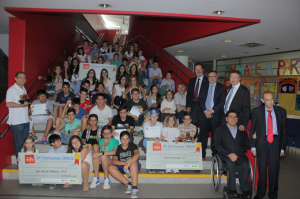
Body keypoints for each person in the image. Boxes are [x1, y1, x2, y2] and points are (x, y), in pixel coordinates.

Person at [250, 91, 287, 199]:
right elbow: (253, 130)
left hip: (275, 142)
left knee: (274, 170)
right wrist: (253, 146)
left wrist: (282, 148)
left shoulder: (281, 111)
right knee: (262, 169)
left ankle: (273, 194)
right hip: (262, 142)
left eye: (272, 99)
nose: (271, 102)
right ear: (262, 100)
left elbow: (284, 131)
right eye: (267, 100)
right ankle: (260, 193)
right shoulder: (257, 111)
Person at [214, 109, 250, 198]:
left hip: (240, 155)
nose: (233, 118)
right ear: (226, 119)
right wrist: (229, 154)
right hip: (226, 156)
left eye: (235, 117)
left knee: (245, 164)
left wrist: (254, 139)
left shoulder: (242, 131)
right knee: (231, 164)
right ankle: (232, 189)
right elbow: (217, 146)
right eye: (231, 117)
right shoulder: (219, 130)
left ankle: (245, 189)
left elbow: (247, 145)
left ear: (237, 120)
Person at [198, 70, 226, 158]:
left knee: (215, 136)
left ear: (217, 77)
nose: (212, 78)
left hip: (216, 115)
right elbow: (200, 100)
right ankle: (201, 153)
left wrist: (212, 111)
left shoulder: (222, 87)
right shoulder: (203, 86)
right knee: (203, 135)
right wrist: (205, 111)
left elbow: (222, 102)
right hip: (204, 114)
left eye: (214, 76)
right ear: (208, 78)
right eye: (210, 76)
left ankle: (215, 154)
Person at [108, 131, 140, 198]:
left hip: (134, 166)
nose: (125, 141)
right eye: (123, 139)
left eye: (126, 139)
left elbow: (137, 154)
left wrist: (129, 163)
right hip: (123, 166)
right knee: (110, 167)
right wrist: (125, 163)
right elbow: (113, 161)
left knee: (133, 162)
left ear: (129, 139)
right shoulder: (118, 147)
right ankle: (129, 184)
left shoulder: (132, 145)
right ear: (120, 140)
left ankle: (134, 188)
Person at [6, 72, 30, 158]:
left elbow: (25, 104)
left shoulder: (24, 89)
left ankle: (25, 163)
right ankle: (19, 162)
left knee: (26, 143)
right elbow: (8, 104)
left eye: (24, 77)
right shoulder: (11, 90)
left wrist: (28, 116)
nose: (23, 79)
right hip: (17, 121)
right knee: (19, 143)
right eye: (20, 77)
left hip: (25, 120)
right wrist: (22, 105)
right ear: (15, 79)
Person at [91, 125, 119, 190]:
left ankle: (106, 178)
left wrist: (101, 153)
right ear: (102, 134)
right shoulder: (101, 140)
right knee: (96, 154)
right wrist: (103, 144)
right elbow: (102, 152)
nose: (106, 135)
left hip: (110, 160)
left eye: (108, 133)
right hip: (102, 160)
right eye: (104, 133)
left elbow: (114, 152)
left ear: (111, 133)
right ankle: (96, 178)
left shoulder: (115, 141)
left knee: (102, 155)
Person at [186, 64, 208, 134]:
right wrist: (188, 105)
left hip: (204, 105)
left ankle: (201, 139)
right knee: (194, 122)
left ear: (203, 70)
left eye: (200, 69)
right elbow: (189, 94)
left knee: (203, 122)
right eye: (196, 69)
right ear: (194, 70)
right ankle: (193, 139)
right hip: (194, 104)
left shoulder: (207, 80)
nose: (198, 71)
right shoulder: (192, 80)